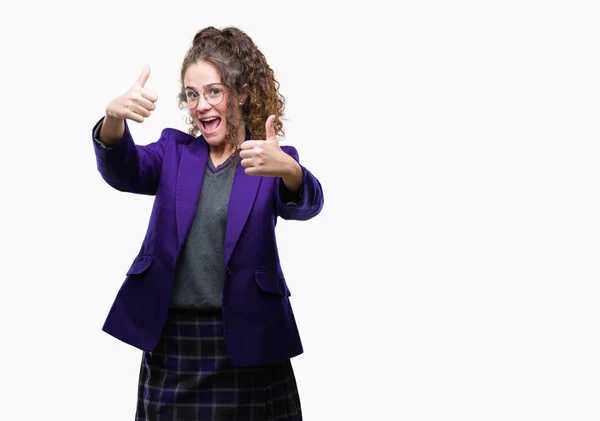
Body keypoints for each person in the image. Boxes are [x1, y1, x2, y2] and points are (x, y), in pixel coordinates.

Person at [92, 26, 324, 421]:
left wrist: (291, 169)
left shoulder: (267, 158)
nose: (201, 105)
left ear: (244, 92)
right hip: (175, 341)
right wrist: (113, 118)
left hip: (251, 336)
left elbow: (307, 204)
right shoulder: (173, 151)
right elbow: (124, 169)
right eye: (192, 94)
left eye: (214, 91)